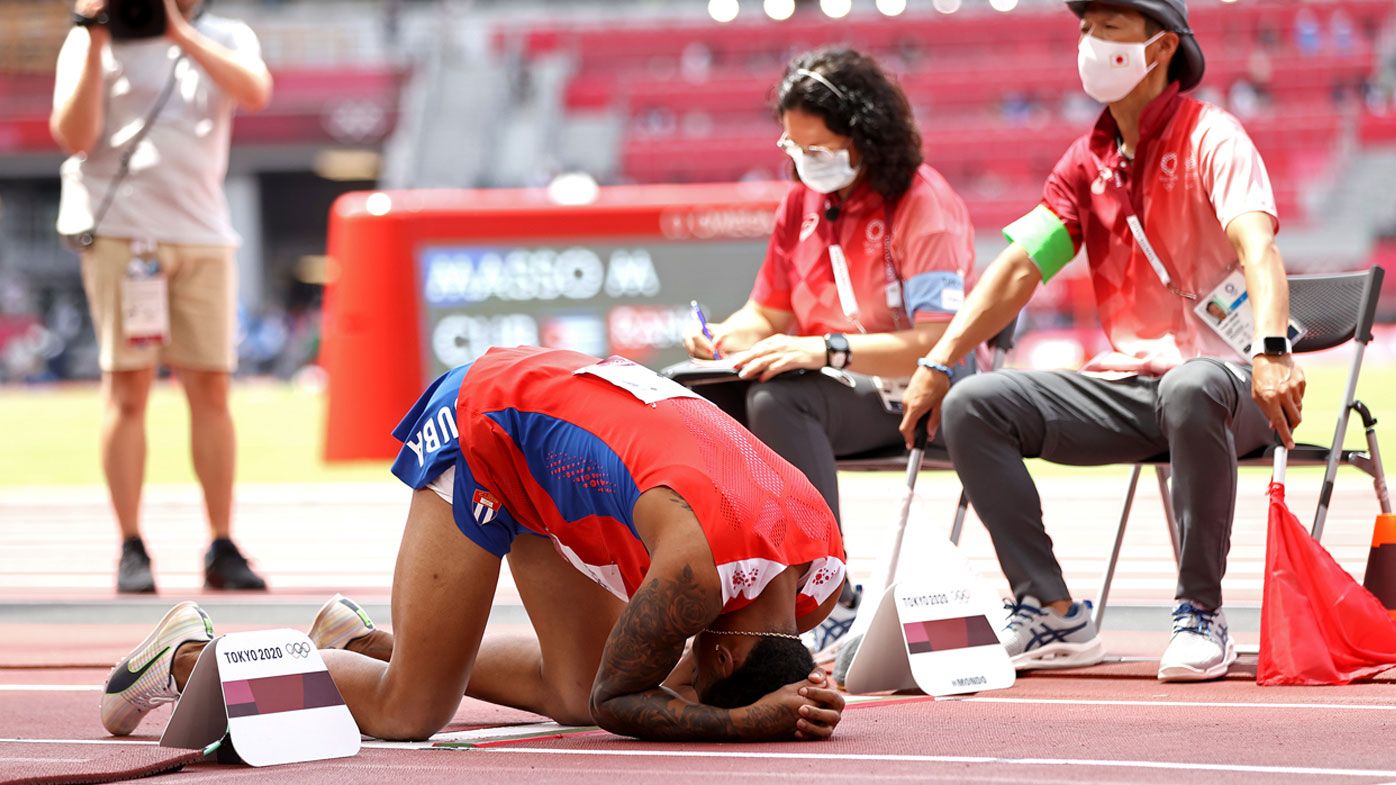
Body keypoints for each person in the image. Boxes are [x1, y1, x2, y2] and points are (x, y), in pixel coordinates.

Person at [100, 347, 847, 742]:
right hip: (487, 423)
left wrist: (788, 699)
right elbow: (618, 698)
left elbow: (638, 679)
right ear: (725, 655)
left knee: (571, 693)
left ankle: (362, 644)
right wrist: (745, 721)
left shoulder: (820, 575)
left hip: (557, 428)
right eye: (706, 670)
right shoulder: (697, 569)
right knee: (408, 712)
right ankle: (186, 658)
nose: (693, 666)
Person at [897, 0, 1305, 683]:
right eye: (1085, 28)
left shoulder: (1213, 137)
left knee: (1193, 384)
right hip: (1131, 390)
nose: (1090, 41)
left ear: (1162, 48)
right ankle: (1050, 607)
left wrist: (1270, 350)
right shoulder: (1087, 163)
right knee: (974, 403)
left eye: (1110, 27)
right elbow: (1021, 268)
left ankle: (1201, 613)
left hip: (1231, 385)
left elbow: (1256, 247)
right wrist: (938, 361)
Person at [682, 48, 976, 651]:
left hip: (922, 396)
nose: (804, 162)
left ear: (865, 137)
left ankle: (828, 599)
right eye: (793, 147)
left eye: (817, 149)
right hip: (832, 388)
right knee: (698, 397)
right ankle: (735, 590)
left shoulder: (922, 202)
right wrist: (723, 338)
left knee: (780, 401)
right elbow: (766, 313)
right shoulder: (801, 204)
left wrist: (826, 350)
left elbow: (936, 341)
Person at [50, 0, 272, 592]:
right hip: (125, 234)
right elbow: (73, 136)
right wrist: (95, 37)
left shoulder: (224, 34)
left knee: (213, 388)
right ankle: (131, 545)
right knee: (128, 388)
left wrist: (179, 33)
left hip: (203, 232)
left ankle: (222, 543)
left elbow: (254, 92)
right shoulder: (91, 38)